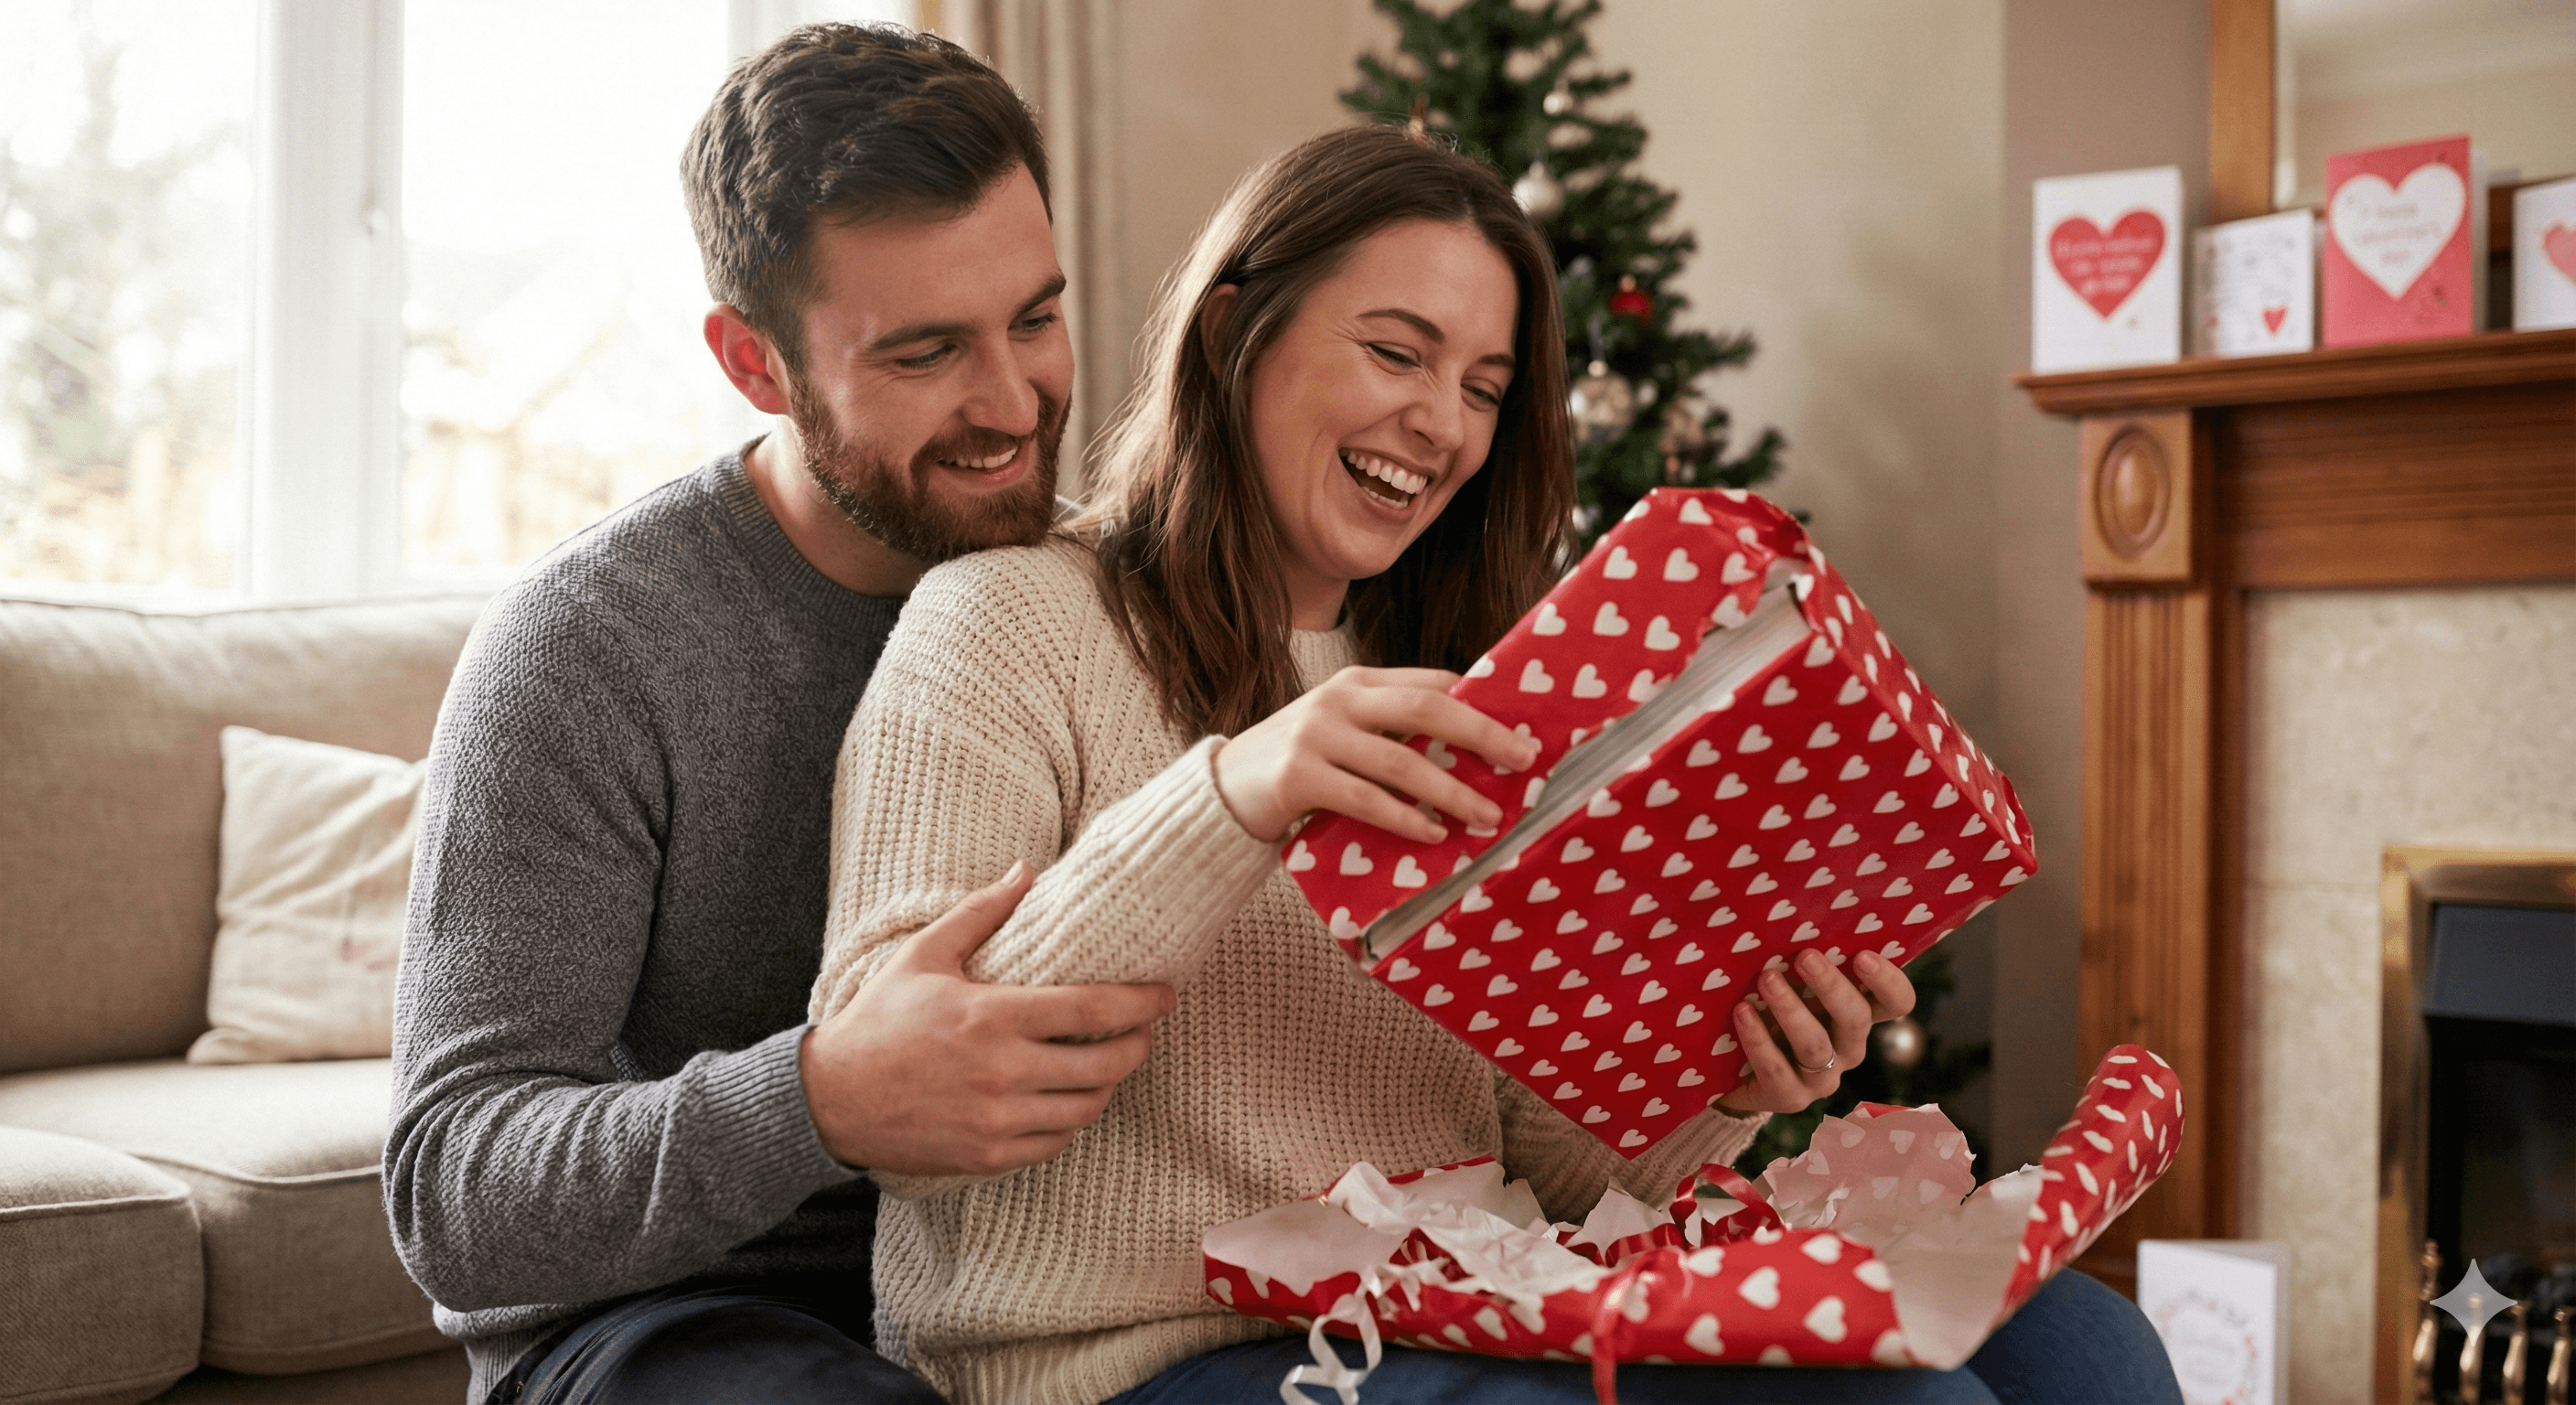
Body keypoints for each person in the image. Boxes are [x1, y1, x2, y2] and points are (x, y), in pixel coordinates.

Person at [811, 124, 2187, 1405]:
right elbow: (903, 1082)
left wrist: (1722, 1085)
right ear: (1235, 331)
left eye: (1483, 387)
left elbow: (1557, 1173)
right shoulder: (1003, 621)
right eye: (1398, 354)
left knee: (2089, 1345)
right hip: (1139, 1356)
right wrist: (1235, 797)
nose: (1444, 425)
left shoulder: (1483, 690)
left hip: (1475, 1304)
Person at [383, 26, 1174, 1405]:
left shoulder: (1104, 597)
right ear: (752, 362)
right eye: (927, 351)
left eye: (1035, 319)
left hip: (1051, 1293)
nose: (1013, 402)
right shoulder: (588, 648)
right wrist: (819, 1099)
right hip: (669, 1324)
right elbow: (456, 1187)